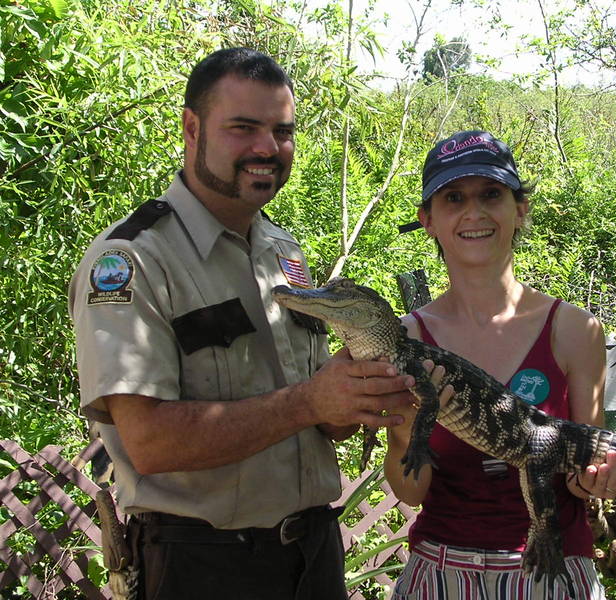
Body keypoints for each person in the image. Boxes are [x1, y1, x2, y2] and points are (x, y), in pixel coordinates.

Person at [69, 47, 420, 600]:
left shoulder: (285, 251)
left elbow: (317, 424)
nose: (267, 148)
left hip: (315, 555)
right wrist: (310, 402)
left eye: (283, 131)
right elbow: (148, 444)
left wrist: (353, 399)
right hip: (204, 567)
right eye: (243, 128)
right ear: (192, 127)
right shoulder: (132, 261)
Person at [385, 130, 616, 599]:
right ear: (428, 220)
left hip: (554, 573)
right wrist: (406, 428)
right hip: (441, 575)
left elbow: (583, 480)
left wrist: (602, 477)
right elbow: (411, 491)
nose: (474, 212)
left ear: (519, 210)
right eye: (453, 198)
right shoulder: (408, 339)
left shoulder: (574, 330)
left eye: (491, 195)